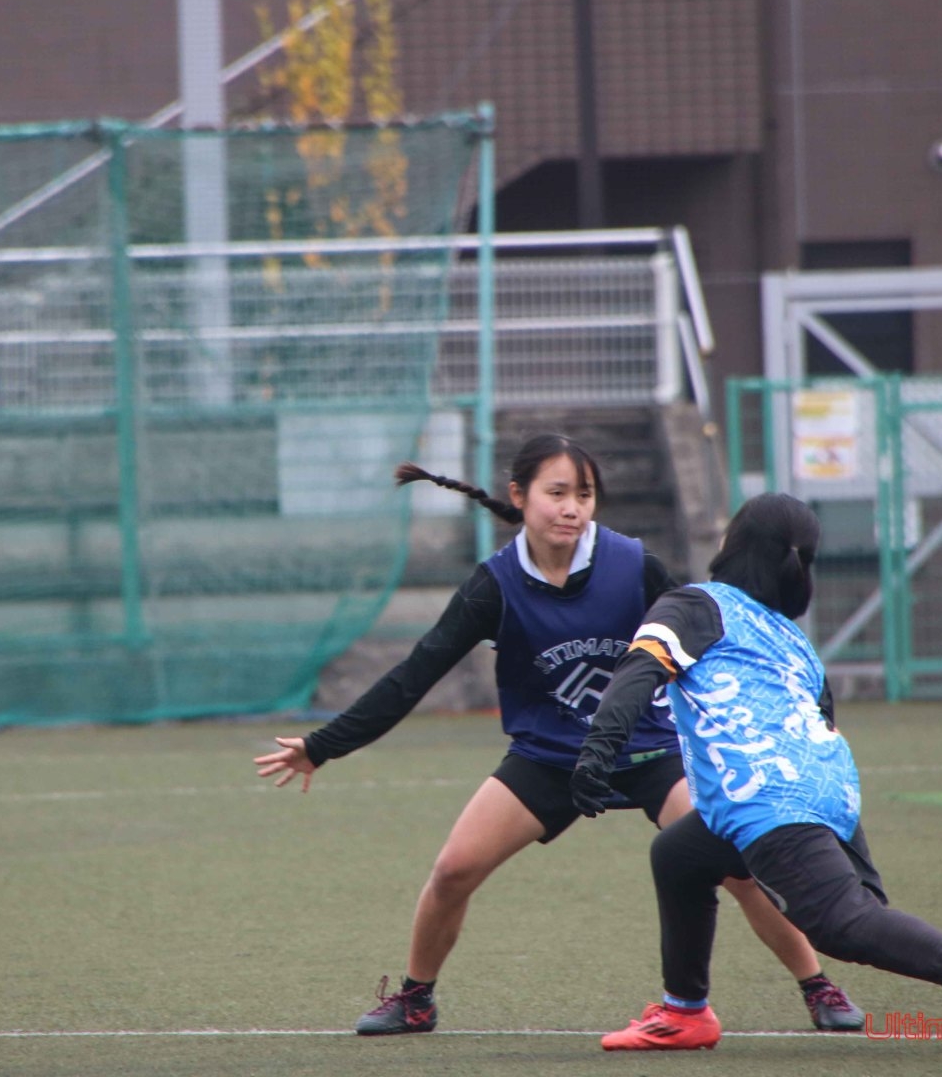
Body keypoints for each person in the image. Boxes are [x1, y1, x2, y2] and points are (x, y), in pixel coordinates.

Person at [254, 436, 863, 1036]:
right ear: (519, 496)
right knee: (453, 871)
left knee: (740, 867)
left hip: (653, 748)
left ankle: (817, 986)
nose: (572, 508)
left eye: (585, 495)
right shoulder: (495, 585)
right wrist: (322, 746)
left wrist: (802, 706)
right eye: (557, 493)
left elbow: (720, 635)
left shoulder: (634, 566)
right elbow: (414, 675)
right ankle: (416, 1000)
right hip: (549, 756)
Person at [570, 492, 942, 1060]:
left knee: (839, 925)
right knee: (679, 857)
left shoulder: (691, 605)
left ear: (733, 544)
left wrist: (597, 751)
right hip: (828, 787)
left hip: (768, 798)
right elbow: (821, 731)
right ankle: (685, 1013)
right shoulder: (792, 639)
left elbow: (639, 668)